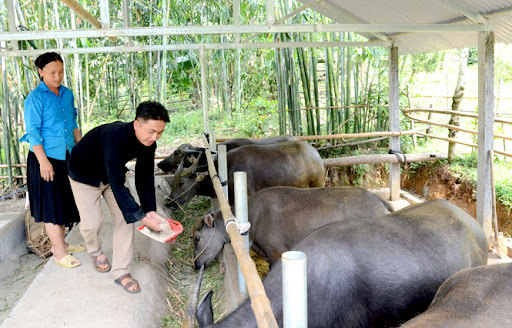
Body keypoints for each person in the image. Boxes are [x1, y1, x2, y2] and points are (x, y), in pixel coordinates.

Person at [68, 101, 169, 293]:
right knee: (92, 223)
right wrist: (141, 217)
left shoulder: (149, 143)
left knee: (125, 218)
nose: (154, 137)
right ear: (136, 124)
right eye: (151, 131)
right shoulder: (114, 137)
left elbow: (144, 176)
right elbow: (117, 184)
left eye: (160, 133)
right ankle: (95, 251)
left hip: (110, 174)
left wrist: (149, 210)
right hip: (83, 176)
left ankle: (121, 270)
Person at [20, 52, 86, 269]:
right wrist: (43, 162)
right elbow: (33, 132)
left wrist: (81, 149)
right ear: (40, 72)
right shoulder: (35, 98)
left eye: (61, 72)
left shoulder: (67, 94)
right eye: (52, 73)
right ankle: (58, 253)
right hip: (45, 158)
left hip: (66, 154)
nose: (58, 77)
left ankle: (63, 244)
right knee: (51, 204)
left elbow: (73, 124)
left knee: (65, 201)